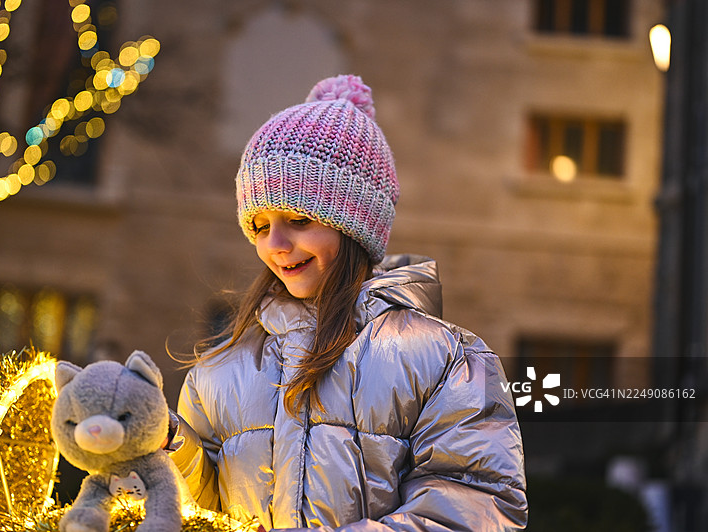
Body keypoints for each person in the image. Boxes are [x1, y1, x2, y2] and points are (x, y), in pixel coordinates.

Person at [165, 74, 528, 531]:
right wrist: (167, 442)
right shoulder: (220, 371)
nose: (275, 244)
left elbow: (475, 507)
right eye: (259, 225)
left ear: (354, 225)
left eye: (298, 219)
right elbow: (206, 506)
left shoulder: (441, 361)